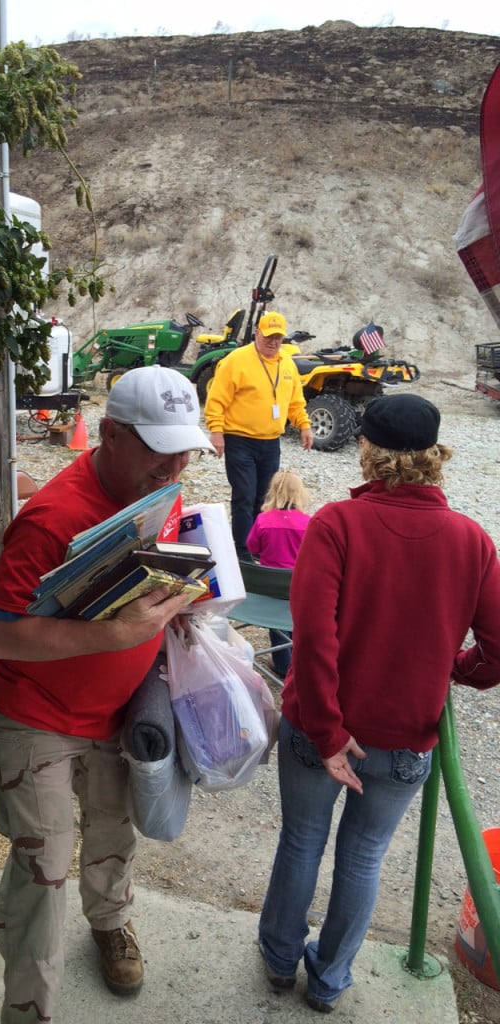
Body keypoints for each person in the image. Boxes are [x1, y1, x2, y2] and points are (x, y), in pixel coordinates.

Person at [0, 365, 214, 1024]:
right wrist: (112, 636)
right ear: (108, 434)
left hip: (116, 711)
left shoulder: (156, 488)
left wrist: (180, 602)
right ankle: (28, 1009)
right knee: (44, 873)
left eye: (184, 447)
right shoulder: (51, 517)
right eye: (158, 448)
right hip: (35, 720)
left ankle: (109, 924)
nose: (175, 464)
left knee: (114, 834)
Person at [257, 393, 500, 1014]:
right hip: (406, 736)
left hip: (320, 728)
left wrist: (332, 733)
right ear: (435, 456)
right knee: (364, 857)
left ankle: (281, 960)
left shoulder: (336, 525)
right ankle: (331, 980)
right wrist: (456, 670)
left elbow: (312, 639)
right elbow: (498, 650)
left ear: (368, 450)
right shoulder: (474, 542)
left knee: (301, 842)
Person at [204, 310, 314, 560]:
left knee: (265, 497)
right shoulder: (236, 360)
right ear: (257, 334)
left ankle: (259, 547)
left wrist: (304, 425)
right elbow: (217, 399)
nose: (274, 343)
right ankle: (242, 553)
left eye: (278, 338)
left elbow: (295, 401)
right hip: (239, 439)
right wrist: (216, 431)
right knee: (244, 494)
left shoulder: (287, 363)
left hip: (270, 442)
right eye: (268, 337)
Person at [245, 468, 311, 678]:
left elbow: (252, 547)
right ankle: (298, 664)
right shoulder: (307, 522)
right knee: (295, 625)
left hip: (268, 589)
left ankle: (283, 664)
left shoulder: (263, 520)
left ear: (272, 491)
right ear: (300, 493)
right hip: (299, 589)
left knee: (277, 627)